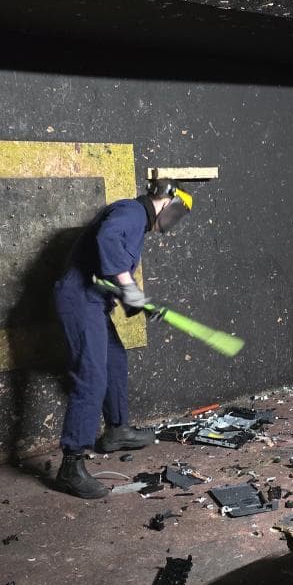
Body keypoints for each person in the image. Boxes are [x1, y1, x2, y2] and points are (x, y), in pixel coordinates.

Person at [51, 178, 191, 498]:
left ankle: (117, 430)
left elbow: (108, 273)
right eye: (179, 211)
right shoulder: (130, 212)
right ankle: (71, 466)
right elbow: (107, 239)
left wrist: (137, 302)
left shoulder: (137, 224)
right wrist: (130, 289)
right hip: (78, 301)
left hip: (94, 301)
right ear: (168, 203)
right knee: (91, 378)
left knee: (115, 359)